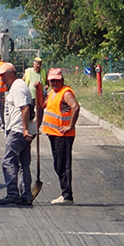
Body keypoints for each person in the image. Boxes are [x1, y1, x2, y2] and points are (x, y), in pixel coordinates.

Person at [0, 62, 37, 204]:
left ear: (10, 73)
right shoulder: (17, 86)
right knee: (23, 163)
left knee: (8, 161)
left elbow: (25, 108)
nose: (2, 78)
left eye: (3, 75)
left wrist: (24, 129)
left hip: (18, 130)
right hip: (22, 129)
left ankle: (13, 193)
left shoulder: (18, 87)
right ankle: (26, 195)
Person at [41, 67, 80, 204]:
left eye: (57, 81)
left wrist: (70, 125)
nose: (54, 83)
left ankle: (67, 195)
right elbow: (42, 104)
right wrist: (39, 90)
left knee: (63, 164)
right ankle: (65, 193)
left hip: (63, 135)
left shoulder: (65, 93)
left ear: (62, 80)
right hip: (53, 134)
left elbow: (75, 107)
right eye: (52, 81)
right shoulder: (52, 92)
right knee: (58, 165)